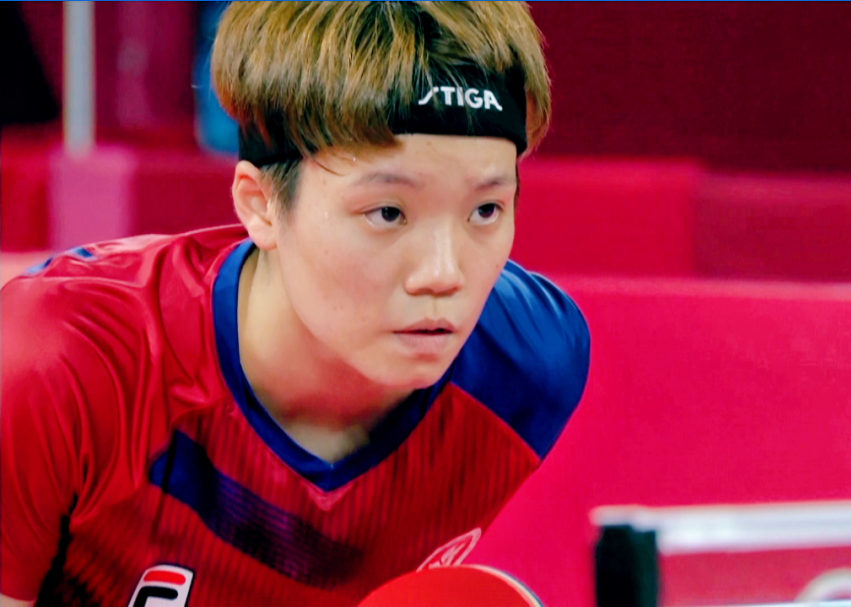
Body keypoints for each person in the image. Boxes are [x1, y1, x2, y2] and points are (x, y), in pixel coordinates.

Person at [0, 3, 590, 606]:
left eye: (485, 210)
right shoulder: (62, 364)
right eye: (388, 212)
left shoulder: (524, 370)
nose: (444, 273)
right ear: (259, 205)